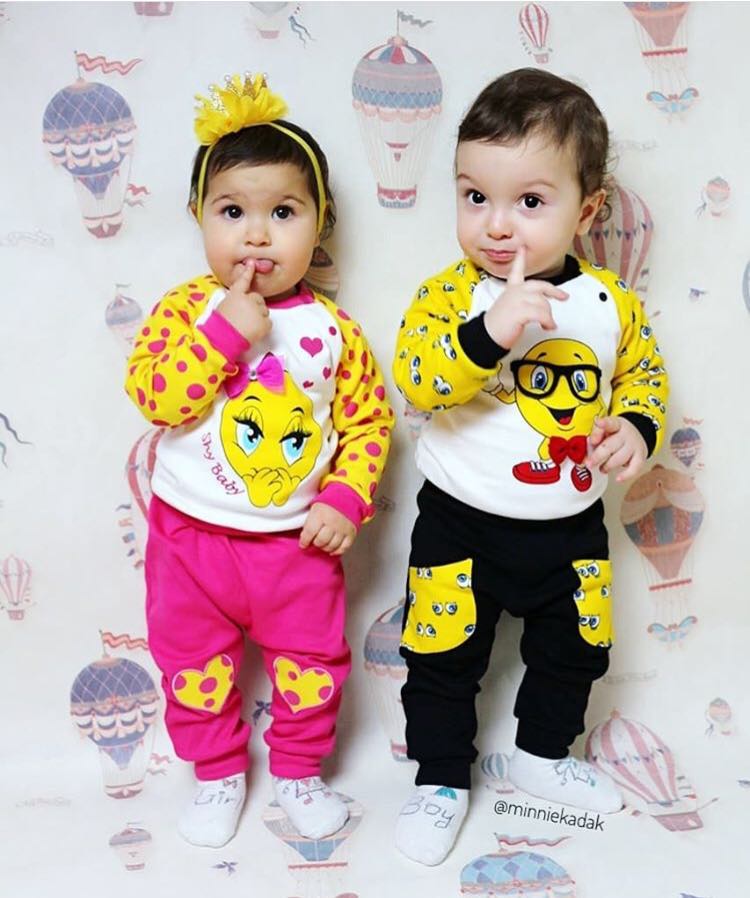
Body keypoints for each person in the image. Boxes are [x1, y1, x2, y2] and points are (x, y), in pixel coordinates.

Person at [391, 68, 668, 865]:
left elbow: (643, 376)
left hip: (569, 525)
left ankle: (543, 756)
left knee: (575, 648)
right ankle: (441, 778)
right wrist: (489, 333)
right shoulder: (450, 295)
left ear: (586, 211)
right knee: (440, 658)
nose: (496, 224)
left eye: (530, 202)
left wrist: (636, 429)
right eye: (475, 196)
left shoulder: (610, 303)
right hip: (460, 523)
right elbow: (418, 378)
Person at [124, 73, 394, 848]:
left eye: (283, 213)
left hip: (293, 548)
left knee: (313, 664)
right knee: (191, 663)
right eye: (232, 212)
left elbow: (369, 423)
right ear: (199, 217)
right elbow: (154, 396)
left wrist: (343, 499)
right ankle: (217, 775)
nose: (256, 236)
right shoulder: (187, 310)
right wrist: (223, 336)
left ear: (319, 223)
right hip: (190, 543)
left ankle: (300, 773)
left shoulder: (334, 330)